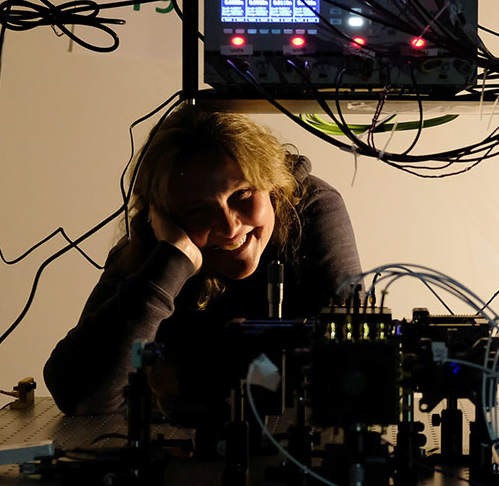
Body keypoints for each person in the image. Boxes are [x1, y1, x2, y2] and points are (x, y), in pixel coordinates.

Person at [43, 104, 362, 416]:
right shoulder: (154, 246)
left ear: (272, 182)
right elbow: (80, 395)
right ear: (164, 218)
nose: (229, 227)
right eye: (198, 210)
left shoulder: (313, 208)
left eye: (242, 195)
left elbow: (354, 369)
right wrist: (173, 260)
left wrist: (187, 380)